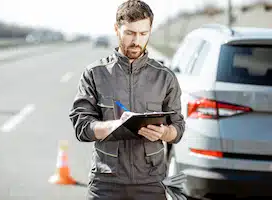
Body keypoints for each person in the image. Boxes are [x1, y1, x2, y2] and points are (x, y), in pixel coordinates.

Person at [69, 0, 185, 199]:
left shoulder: (165, 77)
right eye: (130, 33)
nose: (136, 41)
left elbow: (178, 129)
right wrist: (113, 126)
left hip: (151, 182)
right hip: (105, 183)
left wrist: (164, 132)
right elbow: (81, 127)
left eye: (143, 34)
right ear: (116, 29)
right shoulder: (94, 74)